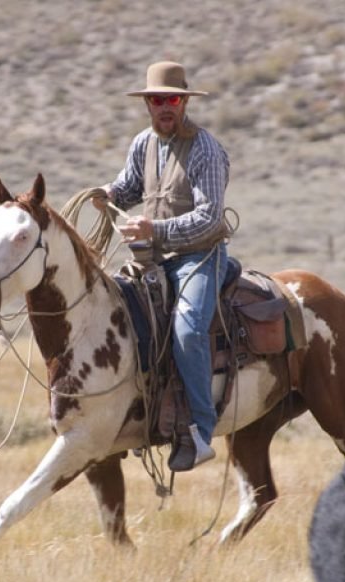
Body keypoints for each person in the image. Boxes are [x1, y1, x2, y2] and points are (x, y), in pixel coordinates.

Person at [93, 60, 230, 472]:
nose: (163, 107)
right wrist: (107, 191)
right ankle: (144, 413)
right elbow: (131, 187)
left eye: (171, 99)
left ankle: (201, 431)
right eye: (156, 100)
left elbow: (210, 217)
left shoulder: (206, 149)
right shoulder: (143, 143)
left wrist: (155, 230)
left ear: (184, 101)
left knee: (188, 329)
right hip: (152, 261)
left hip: (200, 258)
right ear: (147, 104)